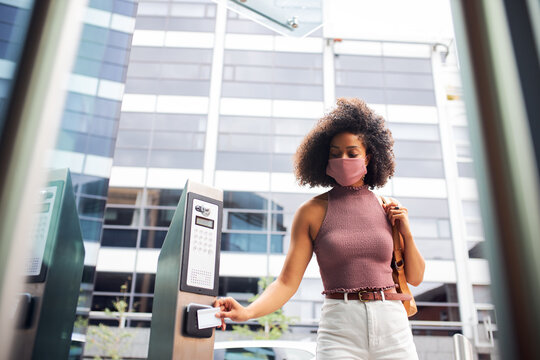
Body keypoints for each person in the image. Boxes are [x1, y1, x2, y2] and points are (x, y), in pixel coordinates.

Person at [214, 98, 425, 359]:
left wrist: (406, 232)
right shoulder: (311, 212)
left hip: (393, 326)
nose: (343, 159)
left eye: (352, 152)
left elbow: (415, 277)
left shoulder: (389, 207)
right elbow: (286, 282)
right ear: (324, 159)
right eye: (335, 153)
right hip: (340, 329)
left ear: (368, 157)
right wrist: (247, 311)